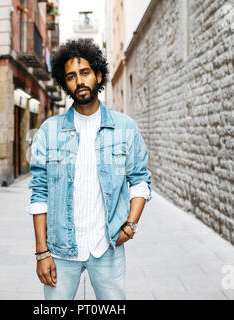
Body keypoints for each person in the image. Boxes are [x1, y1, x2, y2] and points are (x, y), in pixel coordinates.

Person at [26, 39, 152, 300]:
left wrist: (130, 226)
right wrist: (41, 252)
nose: (79, 81)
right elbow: (39, 194)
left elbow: (140, 181)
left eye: (85, 73)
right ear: (65, 84)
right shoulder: (49, 131)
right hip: (60, 251)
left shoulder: (125, 128)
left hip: (106, 247)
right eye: (71, 77)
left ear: (98, 75)